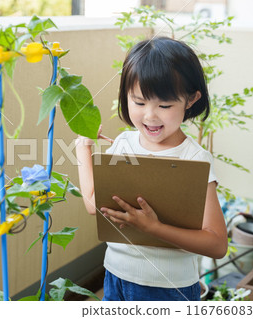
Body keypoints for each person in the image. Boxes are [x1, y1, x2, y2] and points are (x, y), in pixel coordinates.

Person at [75, 37, 228, 301]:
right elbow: (93, 205)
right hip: (116, 277)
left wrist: (154, 228)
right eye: (139, 102)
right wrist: (82, 148)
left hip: (169, 288)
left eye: (165, 106)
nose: (150, 116)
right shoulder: (124, 143)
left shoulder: (194, 158)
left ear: (191, 100)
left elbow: (216, 244)